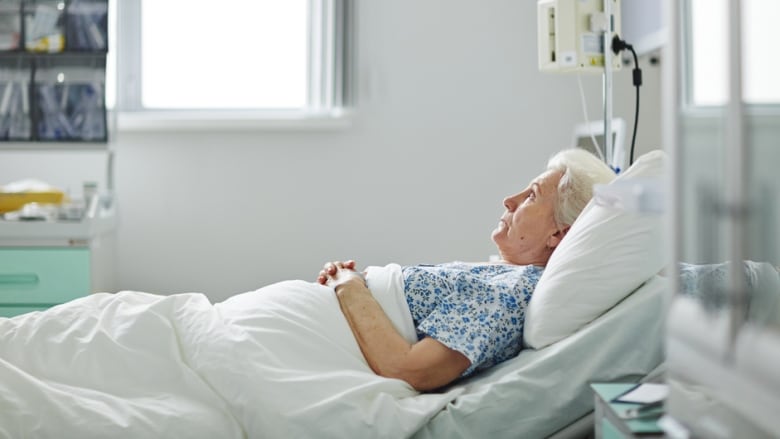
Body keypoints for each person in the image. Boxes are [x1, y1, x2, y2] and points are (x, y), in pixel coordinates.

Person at [317, 148, 616, 391]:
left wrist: (349, 286)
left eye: (531, 196)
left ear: (558, 235)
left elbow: (412, 370)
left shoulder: (509, 292)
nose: (509, 201)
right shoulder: (504, 276)